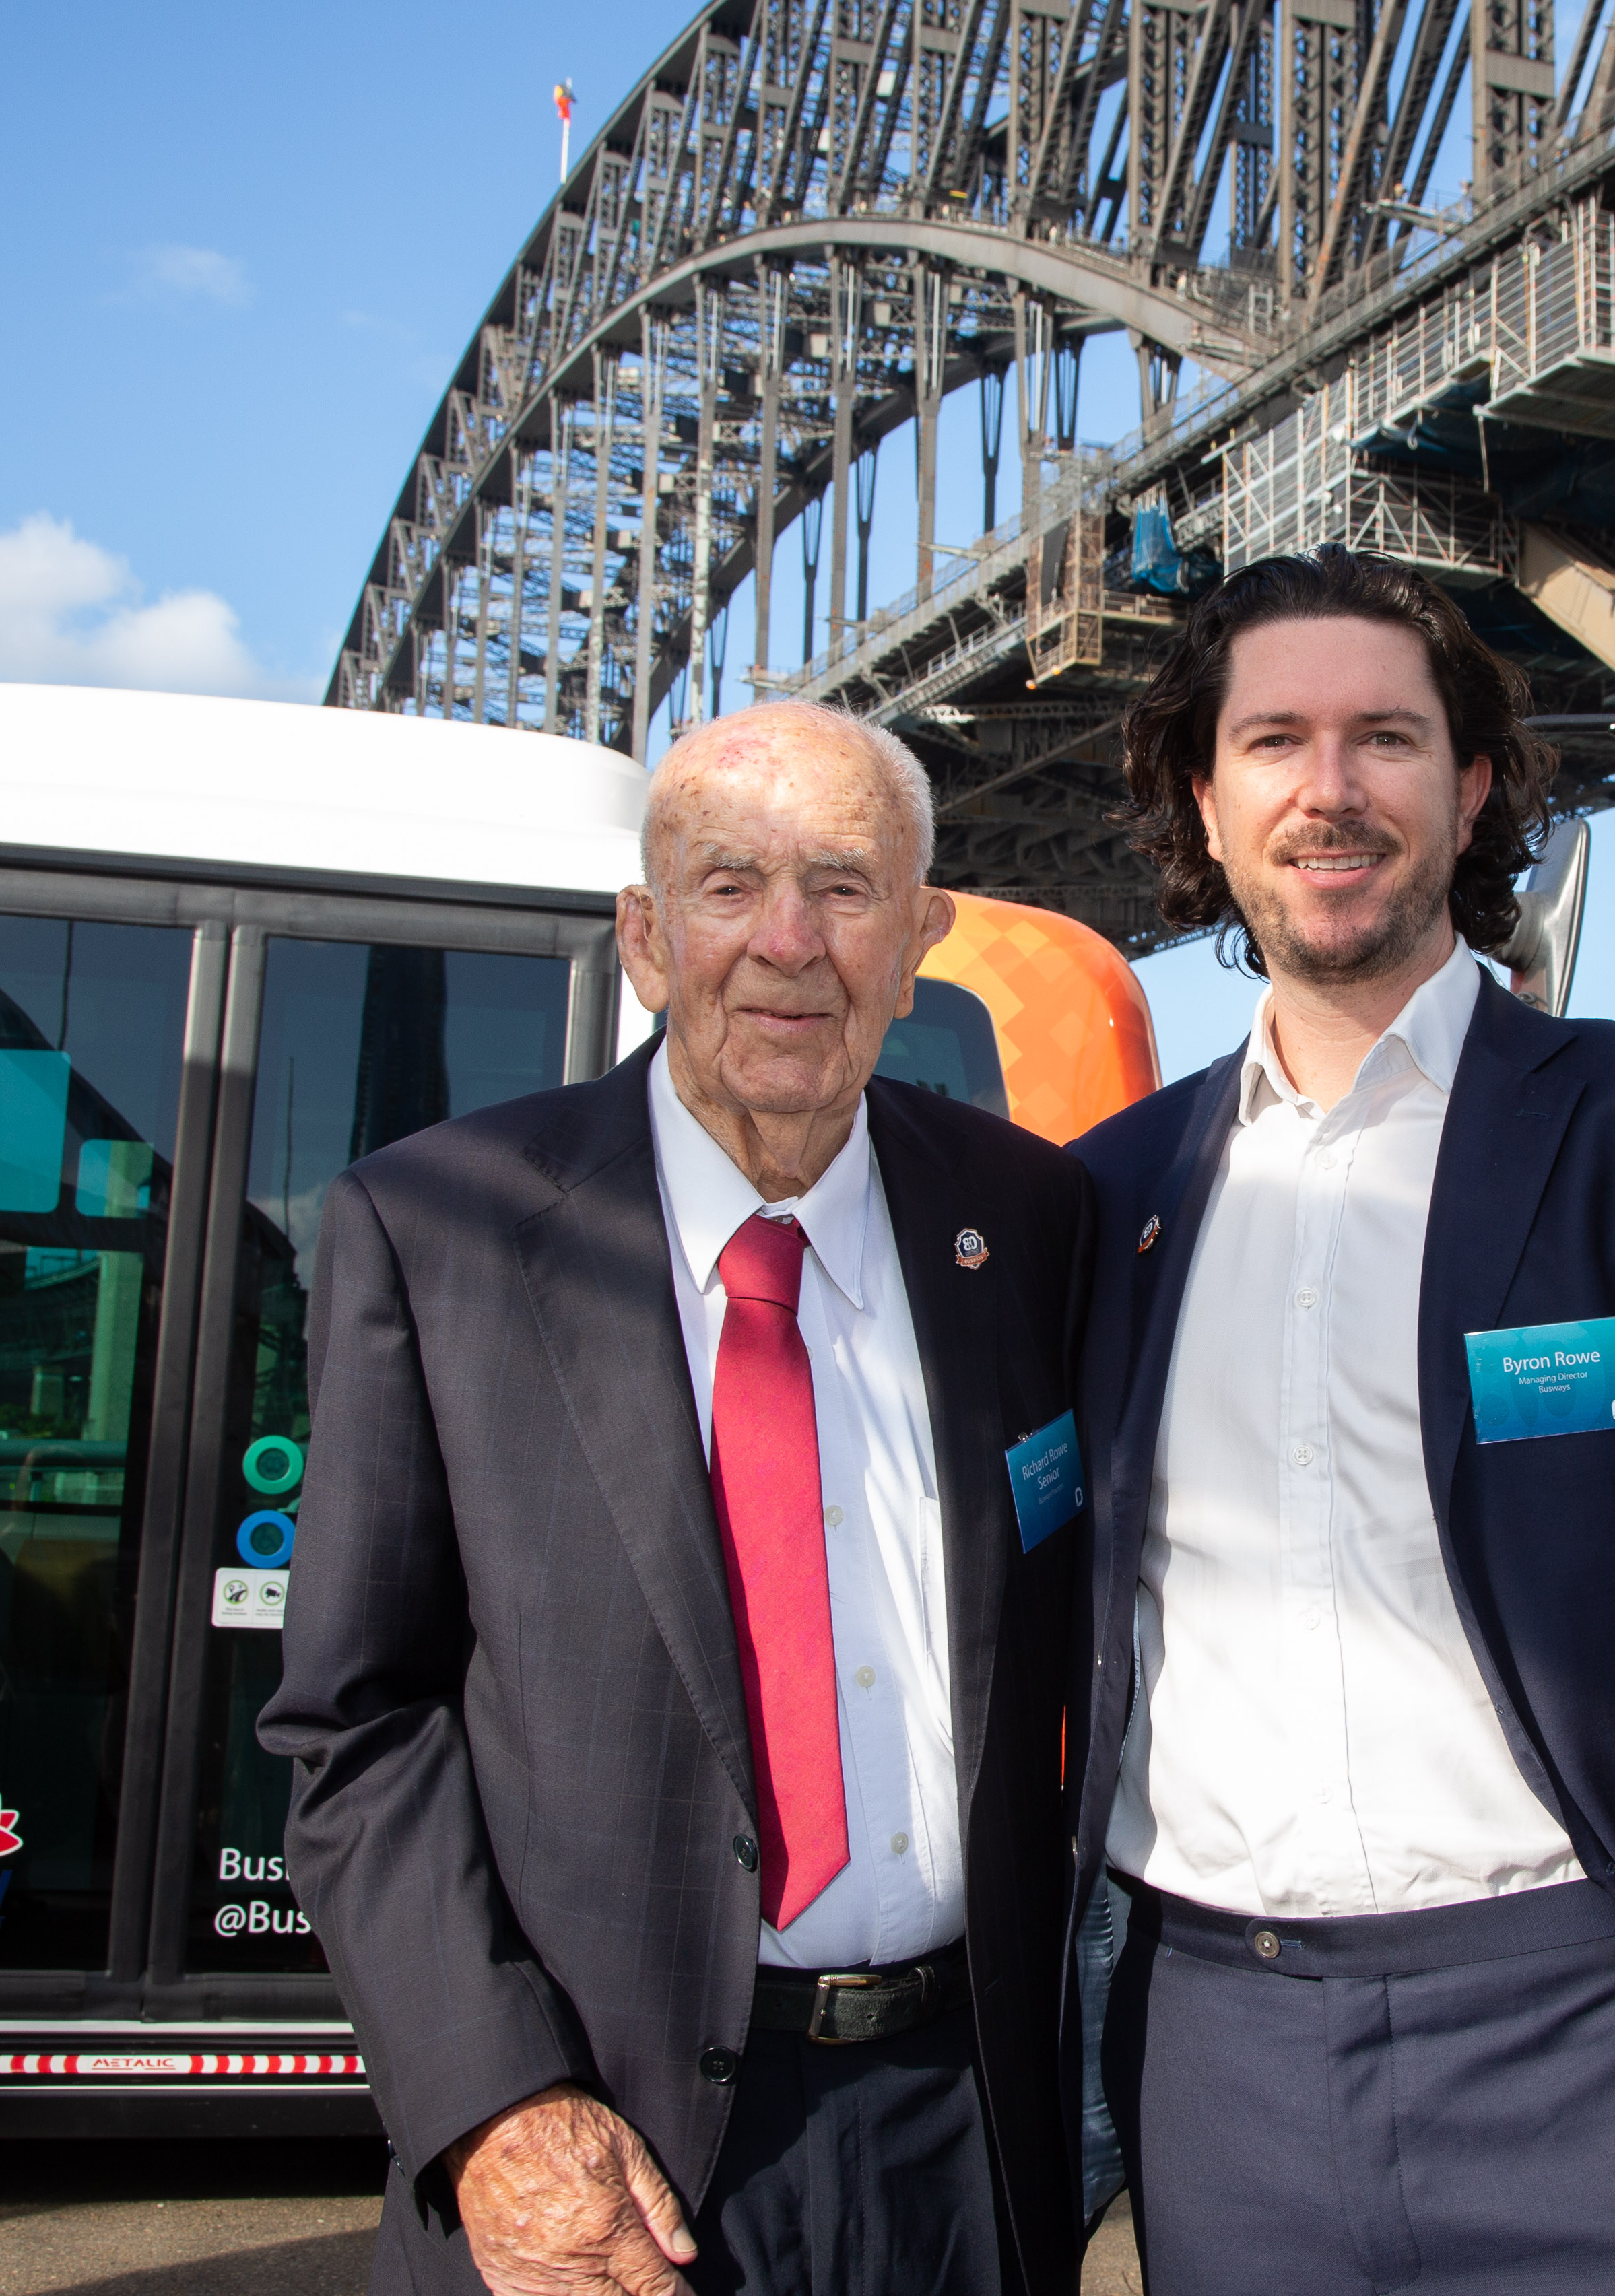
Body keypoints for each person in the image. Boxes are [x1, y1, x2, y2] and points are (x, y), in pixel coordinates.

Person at [1069, 549, 1615, 2296]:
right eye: (1274, 744)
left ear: (1470, 793)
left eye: (1387, 738)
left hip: (1602, 2054)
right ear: (1202, 804)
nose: (1331, 792)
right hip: (1224, 2070)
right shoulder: (1113, 1197)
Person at [262, 701, 1092, 2296]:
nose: (789, 945)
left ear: (919, 937)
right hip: (605, 2135)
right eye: (728, 886)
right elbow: (357, 1724)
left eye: (847, 889)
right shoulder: (438, 1229)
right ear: (645, 938)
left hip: (967, 2138)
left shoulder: (1031, 1220)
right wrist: (494, 2103)